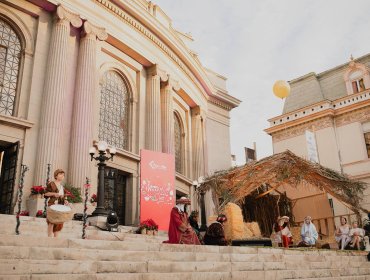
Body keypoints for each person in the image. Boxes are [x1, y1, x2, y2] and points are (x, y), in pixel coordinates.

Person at [44, 169, 68, 237]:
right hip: (52, 204)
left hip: (60, 206)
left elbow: (64, 196)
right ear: (56, 175)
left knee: (59, 223)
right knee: (51, 221)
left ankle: (56, 238)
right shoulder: (51, 184)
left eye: (63, 175)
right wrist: (54, 194)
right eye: (60, 174)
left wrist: (66, 200)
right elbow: (45, 194)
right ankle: (49, 237)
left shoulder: (62, 187)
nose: (62, 176)